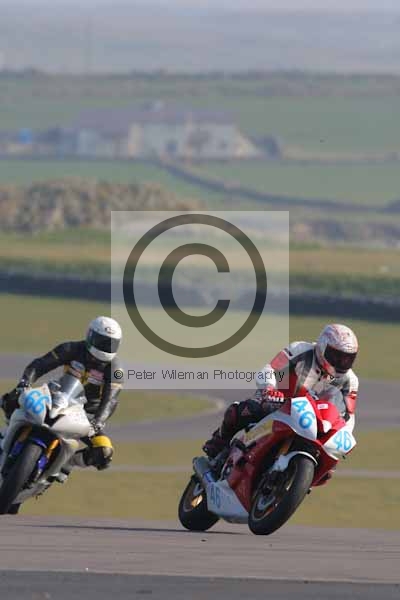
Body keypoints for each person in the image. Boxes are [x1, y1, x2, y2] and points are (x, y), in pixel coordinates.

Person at [203, 323, 359, 460]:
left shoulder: (350, 381)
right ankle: (219, 441)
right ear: (322, 347)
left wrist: (344, 434)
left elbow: (348, 415)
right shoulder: (300, 349)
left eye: (348, 358)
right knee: (244, 411)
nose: (341, 362)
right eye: (337, 356)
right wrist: (269, 388)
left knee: (328, 465)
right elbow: (270, 369)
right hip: (279, 401)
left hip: (313, 421)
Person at [1, 316, 124, 475]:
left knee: (104, 451)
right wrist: (24, 383)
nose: (105, 347)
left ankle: (67, 464)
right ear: (90, 335)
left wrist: (98, 421)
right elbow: (39, 365)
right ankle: (7, 434)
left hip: (86, 417)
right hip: (59, 397)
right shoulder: (71, 348)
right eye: (102, 341)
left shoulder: (116, 369)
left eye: (111, 344)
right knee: (12, 398)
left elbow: (111, 399)